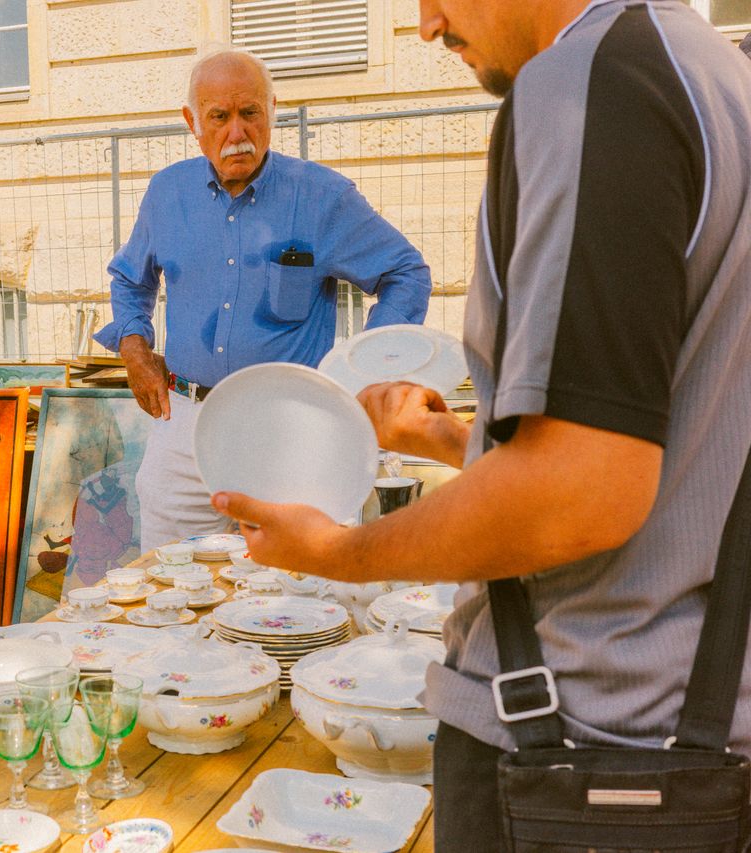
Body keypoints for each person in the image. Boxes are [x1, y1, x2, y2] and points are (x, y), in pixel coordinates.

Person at [211, 0, 751, 848]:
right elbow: (676, 439)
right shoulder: (711, 70)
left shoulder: (586, 83)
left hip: (581, 750)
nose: (427, 24)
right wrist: (456, 441)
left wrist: (337, 554)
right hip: (681, 735)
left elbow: (581, 493)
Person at [93, 49, 432, 552]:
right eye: (219, 117)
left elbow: (405, 272)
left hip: (291, 428)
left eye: (250, 113)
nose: (237, 133)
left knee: (293, 591)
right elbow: (129, 279)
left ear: (271, 111)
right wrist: (134, 347)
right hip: (185, 422)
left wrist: (364, 370)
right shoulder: (168, 194)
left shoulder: (322, 197)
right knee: (169, 583)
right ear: (193, 122)